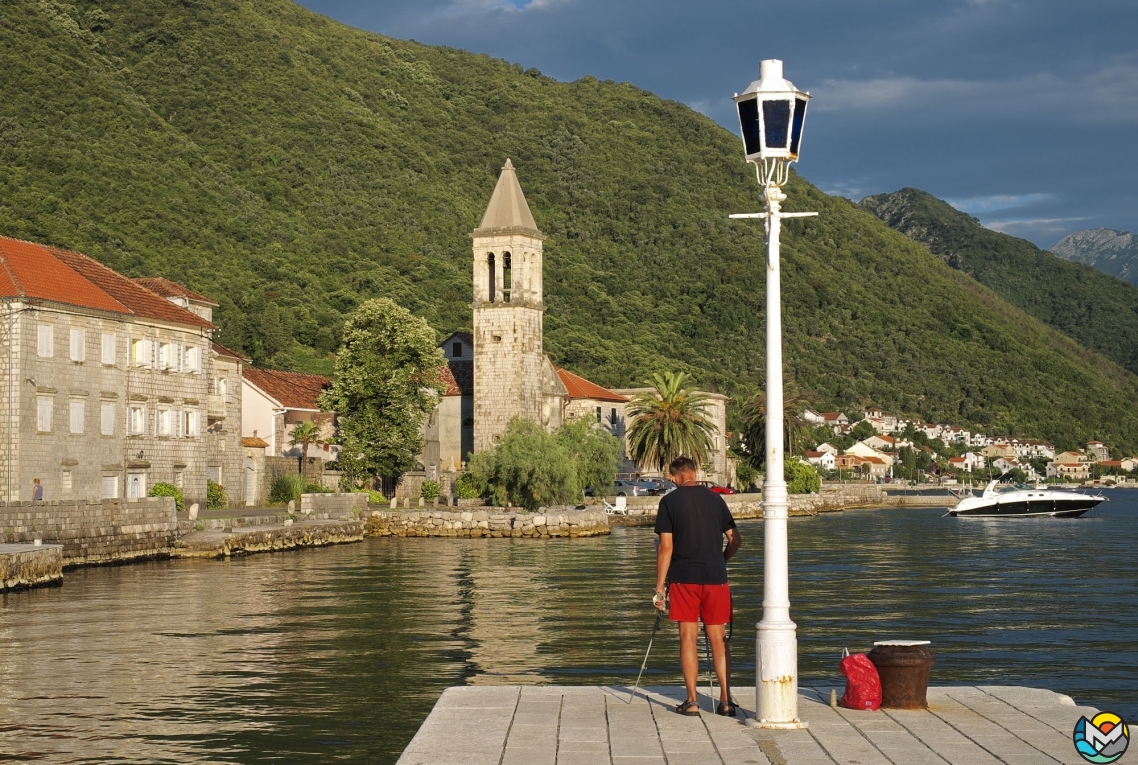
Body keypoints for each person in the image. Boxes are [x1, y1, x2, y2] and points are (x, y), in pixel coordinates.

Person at [654, 456, 742, 717]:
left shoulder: (669, 502)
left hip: (684, 578)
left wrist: (659, 588)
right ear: (695, 472)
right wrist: (721, 560)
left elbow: (666, 548)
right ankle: (726, 701)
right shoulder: (716, 499)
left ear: (674, 477)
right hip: (715, 578)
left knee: (687, 638)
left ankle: (692, 701)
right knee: (719, 639)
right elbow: (735, 540)